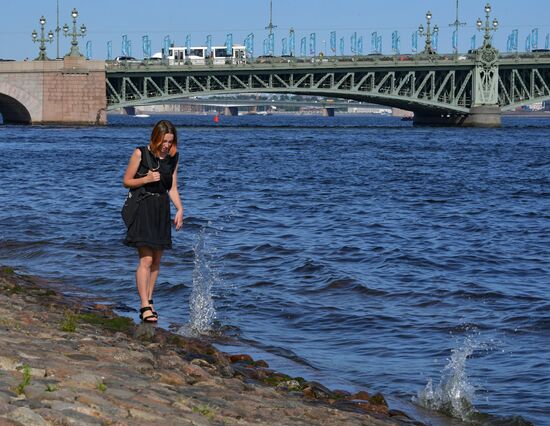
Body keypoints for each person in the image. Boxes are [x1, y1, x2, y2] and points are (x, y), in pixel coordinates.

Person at [122, 120, 184, 323]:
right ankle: (143, 305)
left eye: (170, 141)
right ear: (156, 137)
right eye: (164, 141)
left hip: (161, 209)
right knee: (146, 260)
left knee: (157, 261)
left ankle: (149, 299)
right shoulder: (141, 153)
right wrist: (146, 179)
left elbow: (172, 188)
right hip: (143, 207)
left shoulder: (173, 158)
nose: (167, 145)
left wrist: (180, 209)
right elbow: (127, 181)